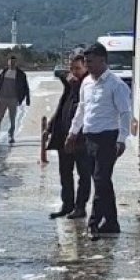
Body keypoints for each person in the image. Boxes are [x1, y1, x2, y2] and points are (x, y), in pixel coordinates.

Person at [67, 43, 132, 240]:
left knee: (101, 180)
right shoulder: (86, 83)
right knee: (103, 182)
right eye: (86, 62)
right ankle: (112, 222)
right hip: (89, 137)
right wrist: (72, 132)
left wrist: (121, 139)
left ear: (103, 60)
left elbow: (125, 114)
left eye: (91, 62)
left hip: (108, 138)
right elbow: (82, 109)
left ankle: (93, 224)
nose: (88, 65)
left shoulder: (116, 84)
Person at [46, 55, 91, 219]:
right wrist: (50, 127)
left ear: (85, 68)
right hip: (64, 136)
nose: (74, 72)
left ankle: (80, 207)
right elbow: (62, 106)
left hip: (81, 139)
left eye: (78, 69)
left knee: (84, 174)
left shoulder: (87, 85)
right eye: (72, 69)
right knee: (65, 172)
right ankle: (67, 204)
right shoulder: (70, 86)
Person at [0, 55, 30, 145]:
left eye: (14, 62)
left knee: (12, 118)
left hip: (13, 99)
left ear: (16, 63)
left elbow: (25, 87)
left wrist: (25, 99)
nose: (12, 64)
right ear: (8, 62)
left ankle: (11, 136)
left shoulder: (20, 74)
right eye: (10, 62)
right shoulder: (3, 72)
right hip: (2, 98)